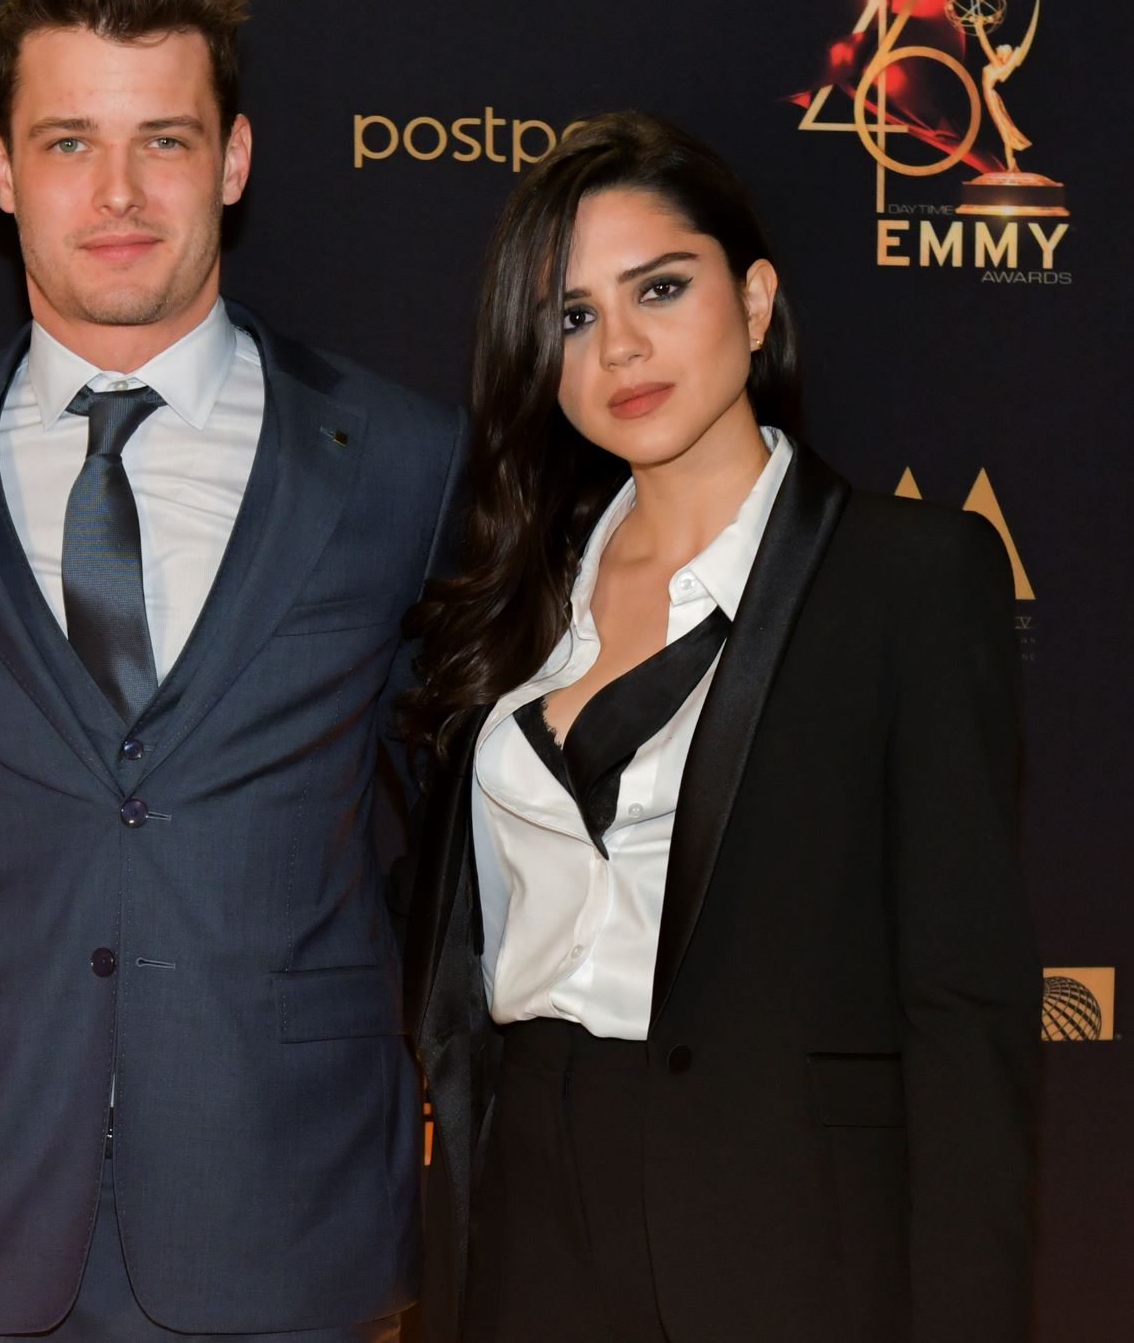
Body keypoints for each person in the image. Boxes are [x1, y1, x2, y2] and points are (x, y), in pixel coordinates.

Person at [0, 0, 464, 1343]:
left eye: (163, 140)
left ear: (234, 158)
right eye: (66, 142)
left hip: (295, 1211)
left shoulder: (404, 461)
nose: (116, 192)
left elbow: (448, 827)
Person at [402, 111, 1038, 1343]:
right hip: (524, 1208)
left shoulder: (905, 577)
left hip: (777, 1221)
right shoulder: (509, 593)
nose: (619, 347)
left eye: (659, 286)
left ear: (752, 301)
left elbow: (964, 1010)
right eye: (572, 317)